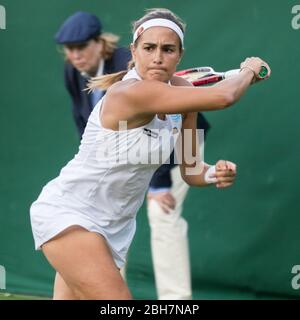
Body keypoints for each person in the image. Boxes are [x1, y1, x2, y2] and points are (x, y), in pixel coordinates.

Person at [30, 7, 270, 299]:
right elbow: (224, 96)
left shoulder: (183, 94)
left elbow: (191, 170)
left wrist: (213, 173)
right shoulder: (129, 92)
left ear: (180, 55)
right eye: (149, 48)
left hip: (113, 227)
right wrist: (248, 69)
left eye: (168, 49)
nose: (158, 57)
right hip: (71, 214)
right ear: (134, 51)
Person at [147, 114, 209, 300]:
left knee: (161, 211)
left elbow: (171, 129)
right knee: (108, 214)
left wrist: (158, 182)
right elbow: (84, 117)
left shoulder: (147, 85)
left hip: (177, 143)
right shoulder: (76, 83)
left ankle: (176, 300)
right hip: (122, 150)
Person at [54, 11, 131, 137]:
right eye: (70, 48)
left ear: (100, 44)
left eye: (81, 47)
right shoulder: (71, 71)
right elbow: (81, 122)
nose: (76, 56)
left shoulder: (125, 64)